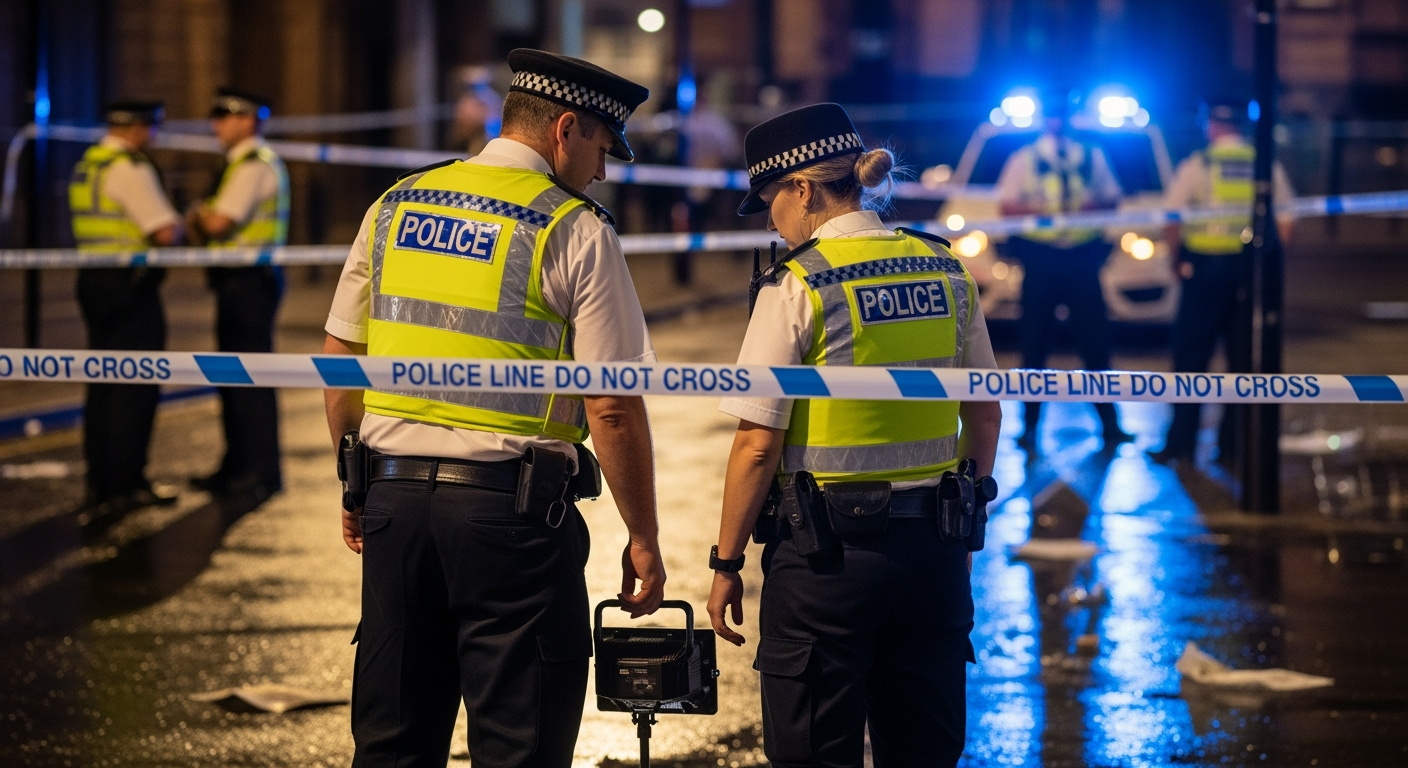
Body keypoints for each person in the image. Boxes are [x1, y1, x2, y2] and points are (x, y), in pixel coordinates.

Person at [322, 49, 665, 767]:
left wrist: (355, 485)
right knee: (520, 746)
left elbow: (340, 359)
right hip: (512, 525)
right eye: (602, 148)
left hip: (393, 509)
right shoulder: (574, 228)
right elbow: (612, 405)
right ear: (566, 129)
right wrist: (643, 535)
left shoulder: (396, 204)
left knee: (390, 744)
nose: (603, 171)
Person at [706, 103, 1004, 768]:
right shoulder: (945, 268)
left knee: (814, 752)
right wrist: (964, 530)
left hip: (826, 564)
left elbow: (757, 444)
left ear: (803, 189)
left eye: (771, 201)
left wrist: (726, 565)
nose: (772, 222)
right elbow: (984, 413)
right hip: (933, 553)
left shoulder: (798, 283)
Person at [1152, 97, 1295, 466]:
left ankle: (1180, 444)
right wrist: (1269, 266)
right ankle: (1231, 446)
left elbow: (1172, 217)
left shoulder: (1200, 164)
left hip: (1204, 273)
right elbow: (1287, 221)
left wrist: (1177, 260)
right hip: (1249, 274)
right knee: (1243, 361)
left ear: (1212, 125)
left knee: (1190, 359)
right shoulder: (1263, 165)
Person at [995, 87, 1132, 453]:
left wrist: (1088, 209)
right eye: (1052, 113)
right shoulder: (1024, 158)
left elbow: (1113, 198)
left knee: (1095, 344)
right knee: (1033, 346)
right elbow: (1006, 206)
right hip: (1041, 259)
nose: (1057, 120)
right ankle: (1029, 428)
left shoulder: (1092, 154)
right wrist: (1045, 212)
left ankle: (1110, 425)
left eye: (1062, 113)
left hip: (1082, 259)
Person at [68, 100, 183, 526]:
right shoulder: (129, 168)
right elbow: (164, 231)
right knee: (134, 384)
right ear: (136, 127)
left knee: (102, 383)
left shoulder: (89, 164)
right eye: (152, 128)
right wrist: (183, 223)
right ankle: (126, 485)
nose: (153, 137)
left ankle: (100, 482)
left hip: (93, 281)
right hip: (130, 288)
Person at [186, 87, 290, 503]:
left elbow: (218, 223)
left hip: (249, 283)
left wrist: (197, 215)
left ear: (247, 120)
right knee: (232, 378)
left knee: (249, 380)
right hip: (236, 282)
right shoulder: (236, 164)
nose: (215, 125)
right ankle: (236, 464)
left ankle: (259, 470)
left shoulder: (252, 165)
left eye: (223, 116)